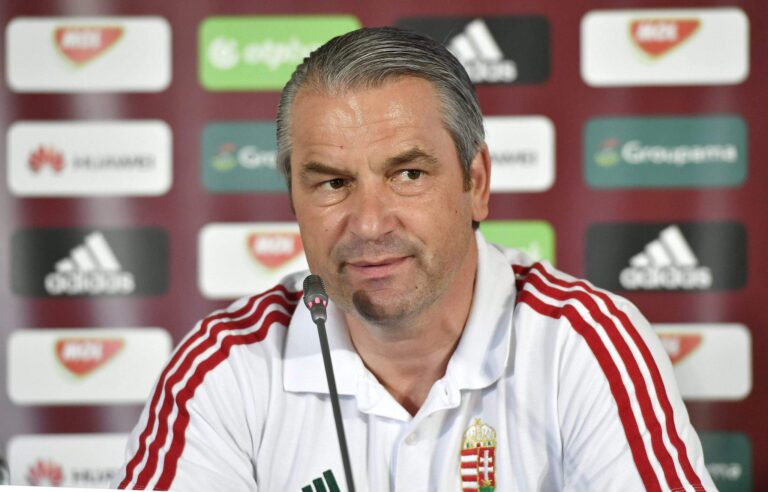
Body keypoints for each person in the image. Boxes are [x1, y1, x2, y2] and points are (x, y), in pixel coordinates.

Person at [115, 27, 715, 491]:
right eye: (332, 183)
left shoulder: (584, 344)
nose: (369, 223)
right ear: (292, 198)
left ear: (476, 182)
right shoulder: (224, 369)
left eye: (408, 174)